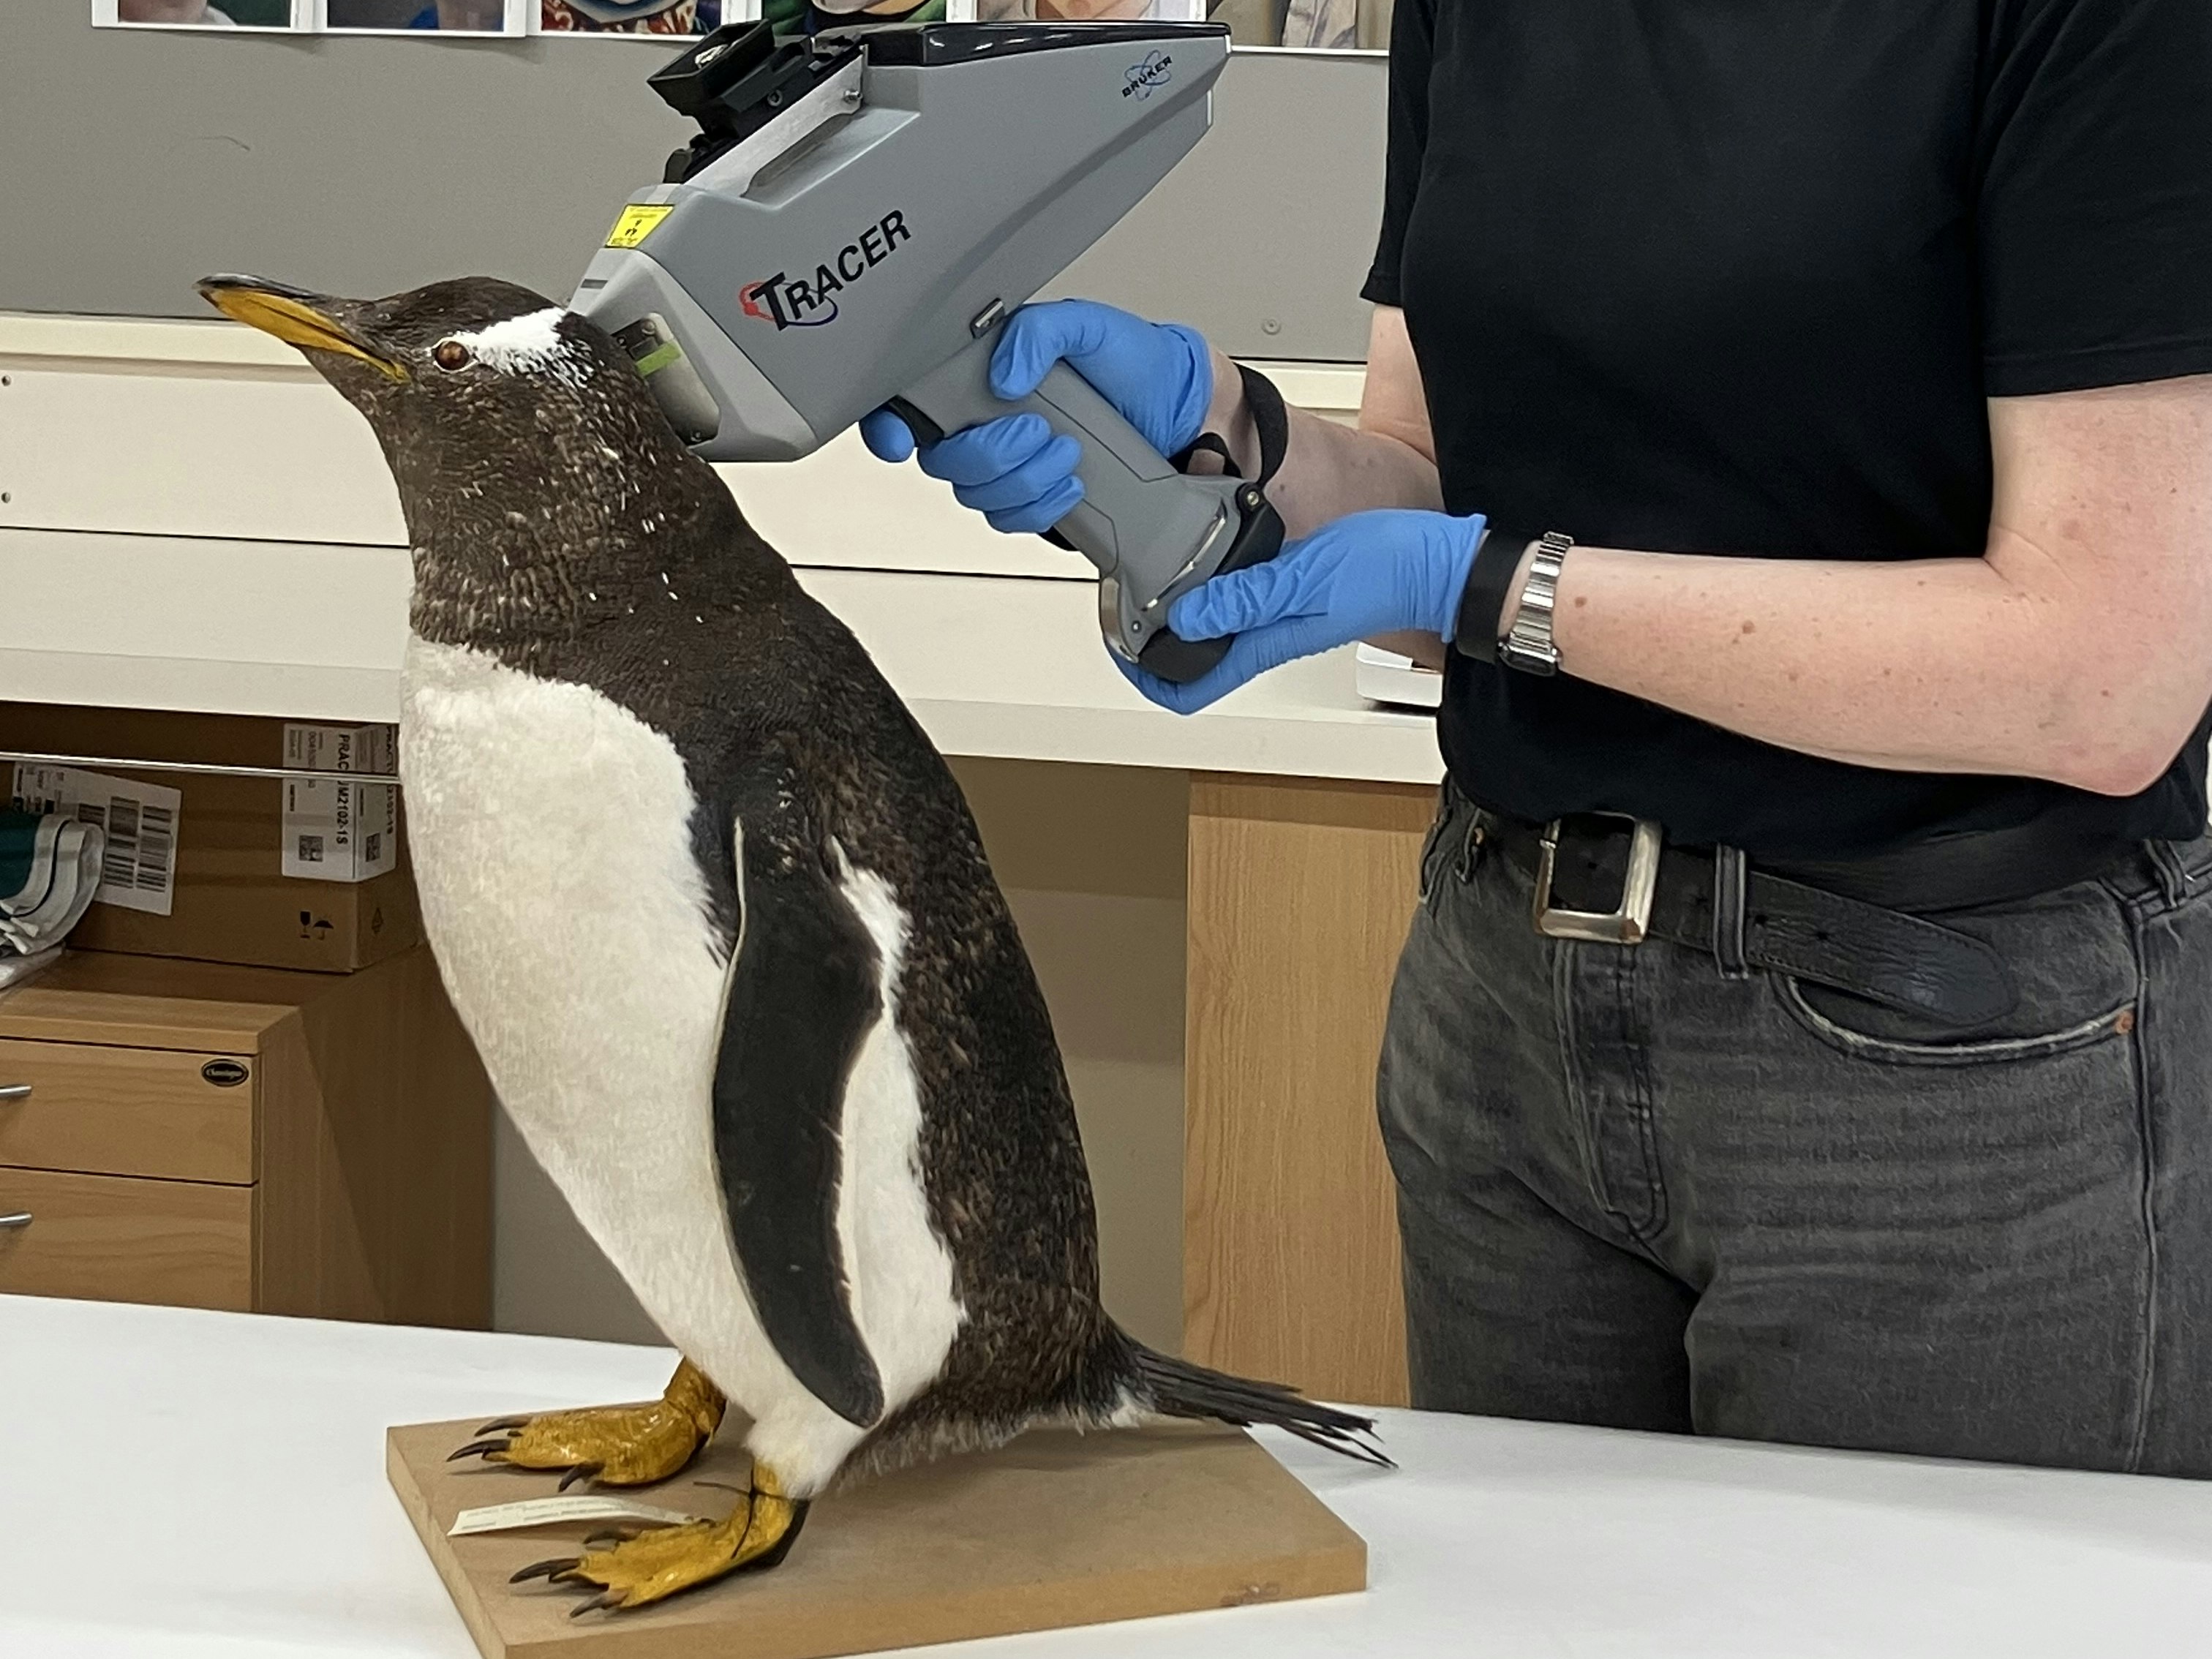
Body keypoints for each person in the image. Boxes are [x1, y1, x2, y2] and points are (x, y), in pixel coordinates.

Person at [863, 0, 2212, 1475]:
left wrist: (1488, 586)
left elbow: (2102, 678)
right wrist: (1218, 437)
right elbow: (1431, 483)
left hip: (1935, 1060)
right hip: (1505, 1013)